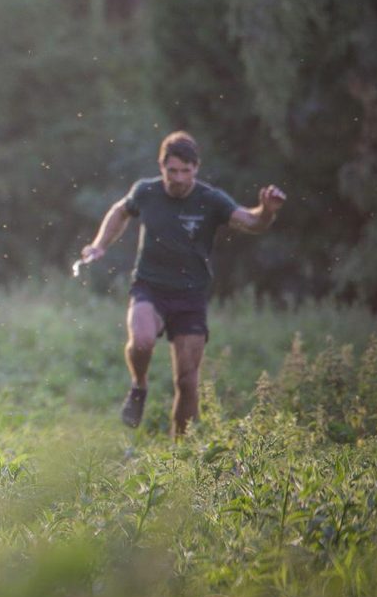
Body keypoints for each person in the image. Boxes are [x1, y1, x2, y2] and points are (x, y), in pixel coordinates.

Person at [79, 131, 285, 436]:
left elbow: (252, 222)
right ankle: (139, 386)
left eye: (185, 171)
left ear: (196, 168)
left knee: (187, 382)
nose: (178, 178)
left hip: (190, 296)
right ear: (161, 167)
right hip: (149, 286)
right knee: (143, 340)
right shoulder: (146, 192)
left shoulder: (210, 200)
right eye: (172, 171)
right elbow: (120, 212)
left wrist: (267, 211)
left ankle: (181, 454)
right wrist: (99, 245)